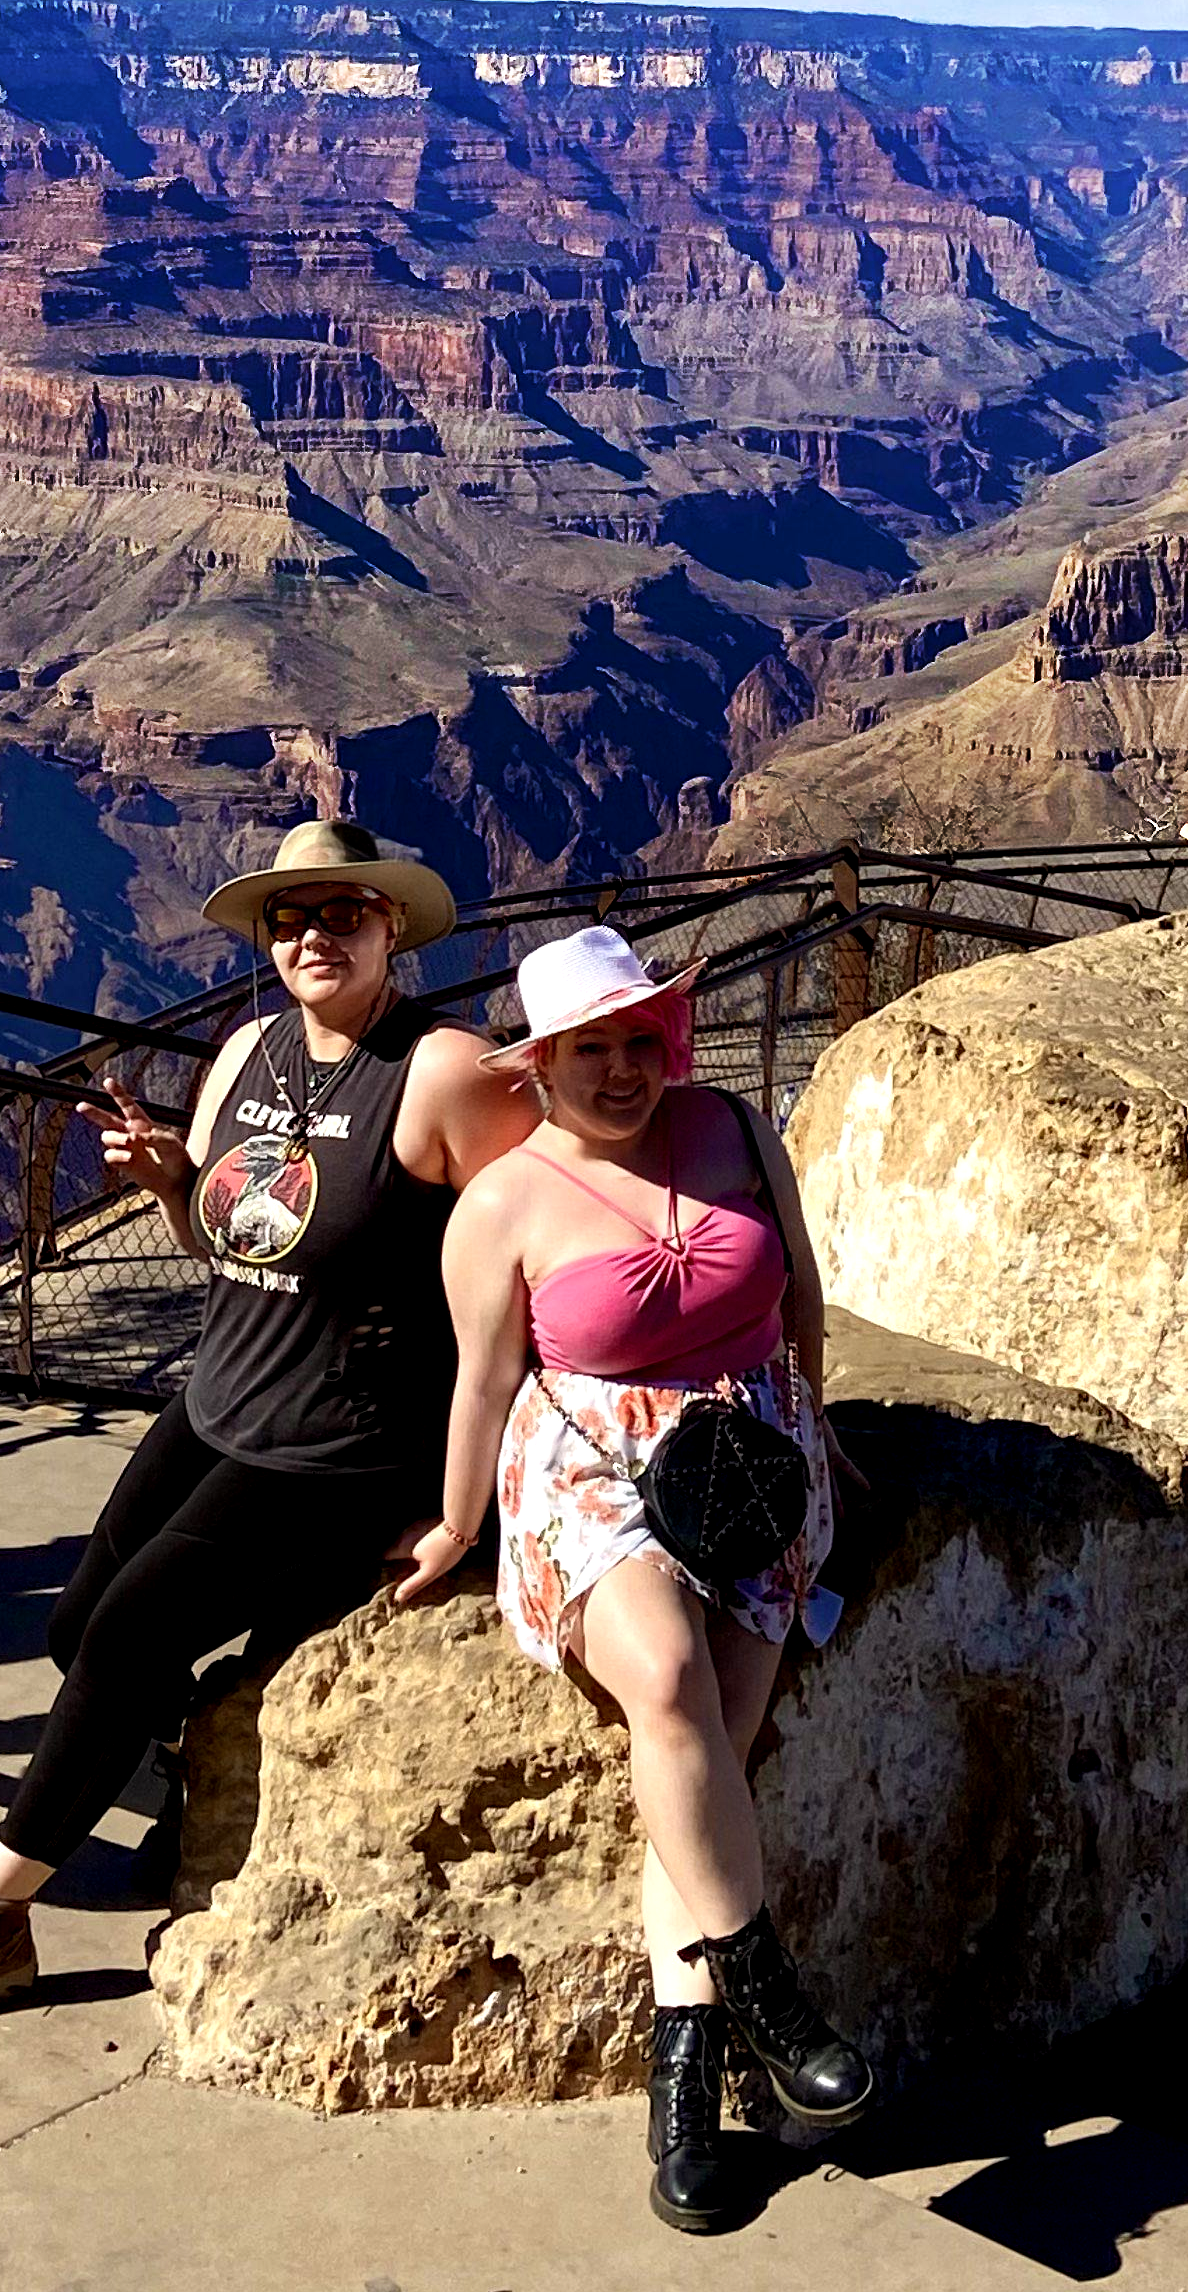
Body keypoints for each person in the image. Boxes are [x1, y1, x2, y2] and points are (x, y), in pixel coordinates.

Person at [0, 819, 536, 2036]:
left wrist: (475, 1498)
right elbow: (237, 1245)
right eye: (289, 916)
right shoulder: (248, 1050)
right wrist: (167, 1181)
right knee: (72, 1628)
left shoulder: (444, 1073)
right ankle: (196, 1776)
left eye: (344, 911)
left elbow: (527, 1280)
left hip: (340, 1444)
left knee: (129, 1642)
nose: (315, 933)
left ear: (393, 928)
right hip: (218, 1401)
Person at [396, 925, 871, 2234]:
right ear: (540, 1066)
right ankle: (766, 1984)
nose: (621, 1070)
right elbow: (485, 1383)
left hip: (755, 1453)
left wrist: (816, 1420)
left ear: (668, 1038)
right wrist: (452, 1527)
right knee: (661, 1676)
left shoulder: (732, 1130)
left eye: (636, 1041)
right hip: (591, 1460)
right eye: (588, 1050)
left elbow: (804, 1292)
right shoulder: (502, 1204)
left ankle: (683, 2097)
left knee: (708, 1745)